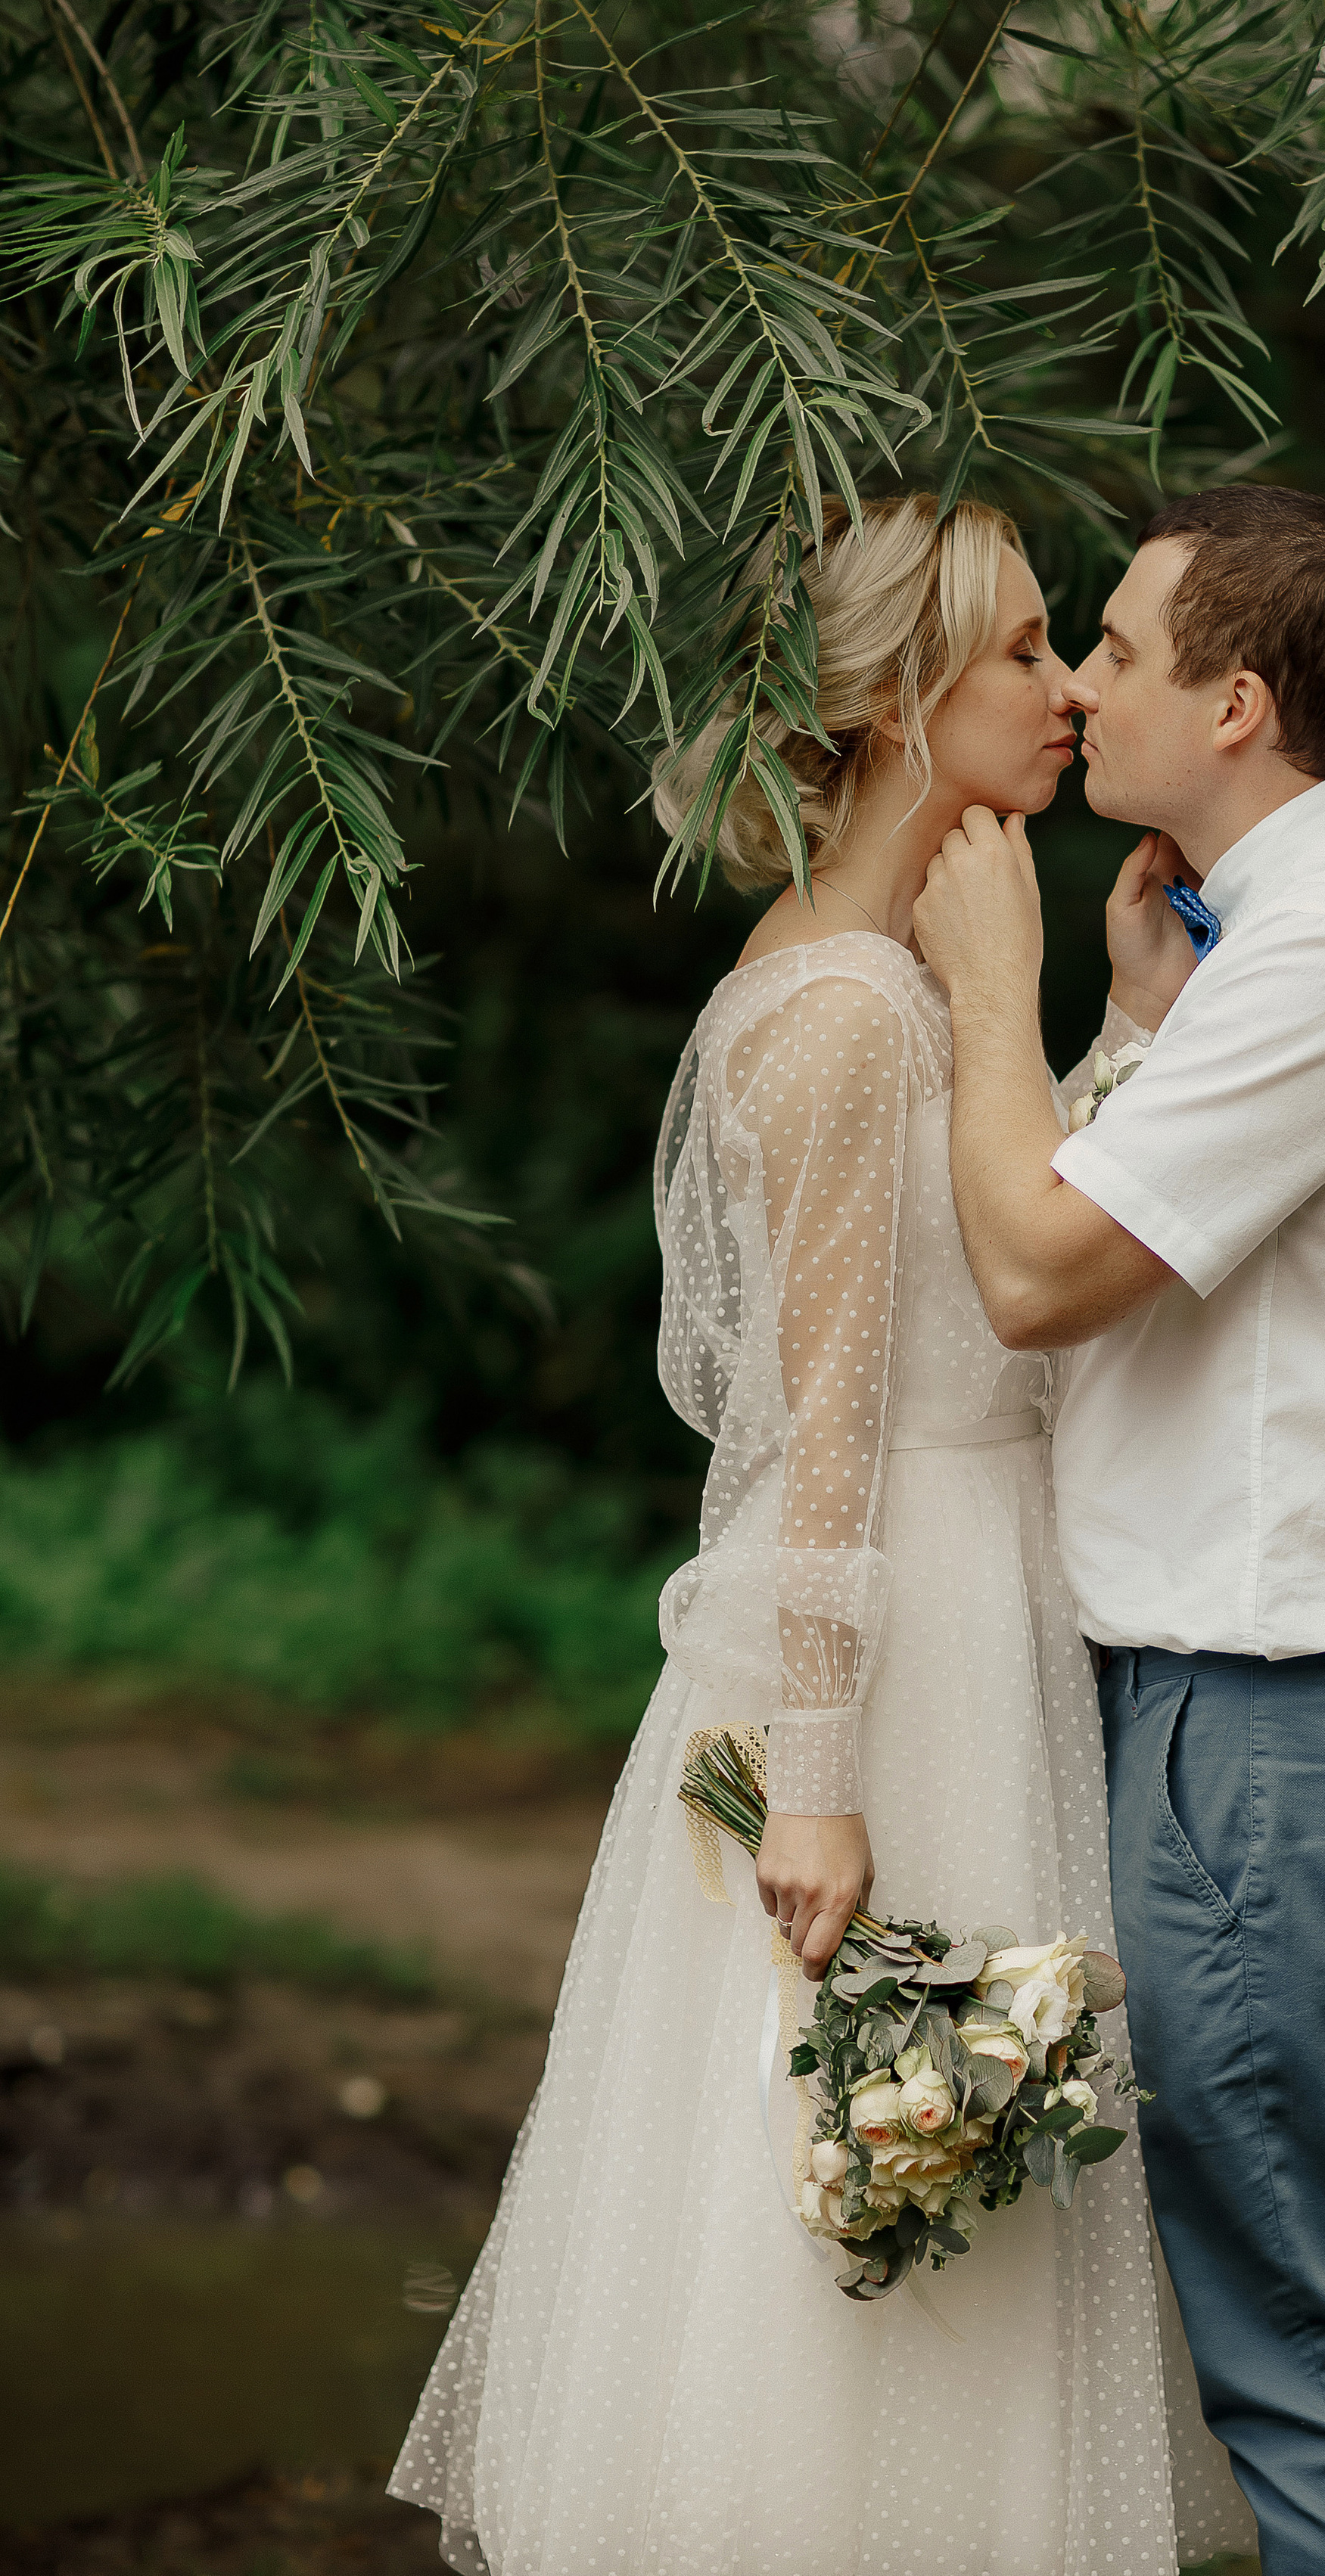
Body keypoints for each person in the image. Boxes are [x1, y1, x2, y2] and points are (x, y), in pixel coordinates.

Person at [388, 493, 1254, 2576]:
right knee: (878, 2163)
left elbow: (1001, 1268)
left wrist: (1115, 1025)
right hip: (893, 1643)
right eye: (1023, 649)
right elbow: (836, 1430)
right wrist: (824, 1777)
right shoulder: (851, 1009)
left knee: (945, 2154)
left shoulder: (889, 978)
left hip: (957, 1597)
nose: (1066, 691)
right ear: (888, 699)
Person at [910, 485, 1325, 2576]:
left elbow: (1036, 1275)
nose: (1082, 686)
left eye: (1113, 648)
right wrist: (1130, 1026)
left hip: (1281, 1741)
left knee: (1310, 2371)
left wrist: (991, 986)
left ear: (1240, 706)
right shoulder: (1318, 931)